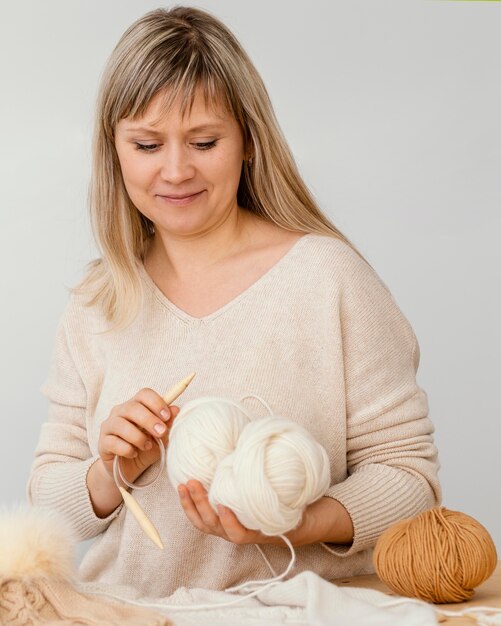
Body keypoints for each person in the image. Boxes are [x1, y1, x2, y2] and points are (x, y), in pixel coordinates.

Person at [27, 6, 441, 598]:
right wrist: (111, 471)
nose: (176, 170)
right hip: (126, 613)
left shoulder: (329, 280)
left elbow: (410, 478)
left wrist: (299, 523)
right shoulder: (98, 304)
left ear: (248, 140)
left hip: (293, 613)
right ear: (114, 153)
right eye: (146, 144)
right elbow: (49, 510)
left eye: (204, 141)